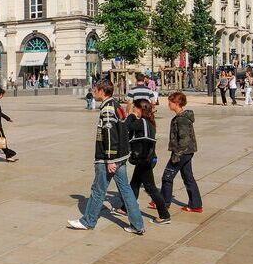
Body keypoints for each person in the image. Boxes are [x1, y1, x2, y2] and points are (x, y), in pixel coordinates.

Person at [68, 79, 145, 234]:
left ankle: (88, 221)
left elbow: (109, 135)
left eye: (95, 90)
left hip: (108, 159)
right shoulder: (116, 105)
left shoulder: (107, 109)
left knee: (98, 190)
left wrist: (109, 159)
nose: (94, 92)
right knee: (126, 190)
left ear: (102, 91)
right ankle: (138, 224)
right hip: (120, 157)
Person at [112, 99, 171, 224]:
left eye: (135, 108)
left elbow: (125, 127)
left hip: (143, 160)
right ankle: (125, 209)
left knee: (151, 188)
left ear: (140, 109)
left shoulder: (141, 122)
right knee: (134, 184)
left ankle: (164, 214)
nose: (133, 110)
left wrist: (132, 115)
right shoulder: (149, 122)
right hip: (146, 158)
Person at [152, 91, 202, 213]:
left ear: (177, 103)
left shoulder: (181, 120)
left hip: (182, 153)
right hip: (187, 152)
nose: (168, 103)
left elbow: (184, 140)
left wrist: (177, 155)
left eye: (170, 101)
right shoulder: (181, 117)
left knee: (167, 176)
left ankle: (164, 202)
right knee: (188, 177)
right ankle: (196, 205)